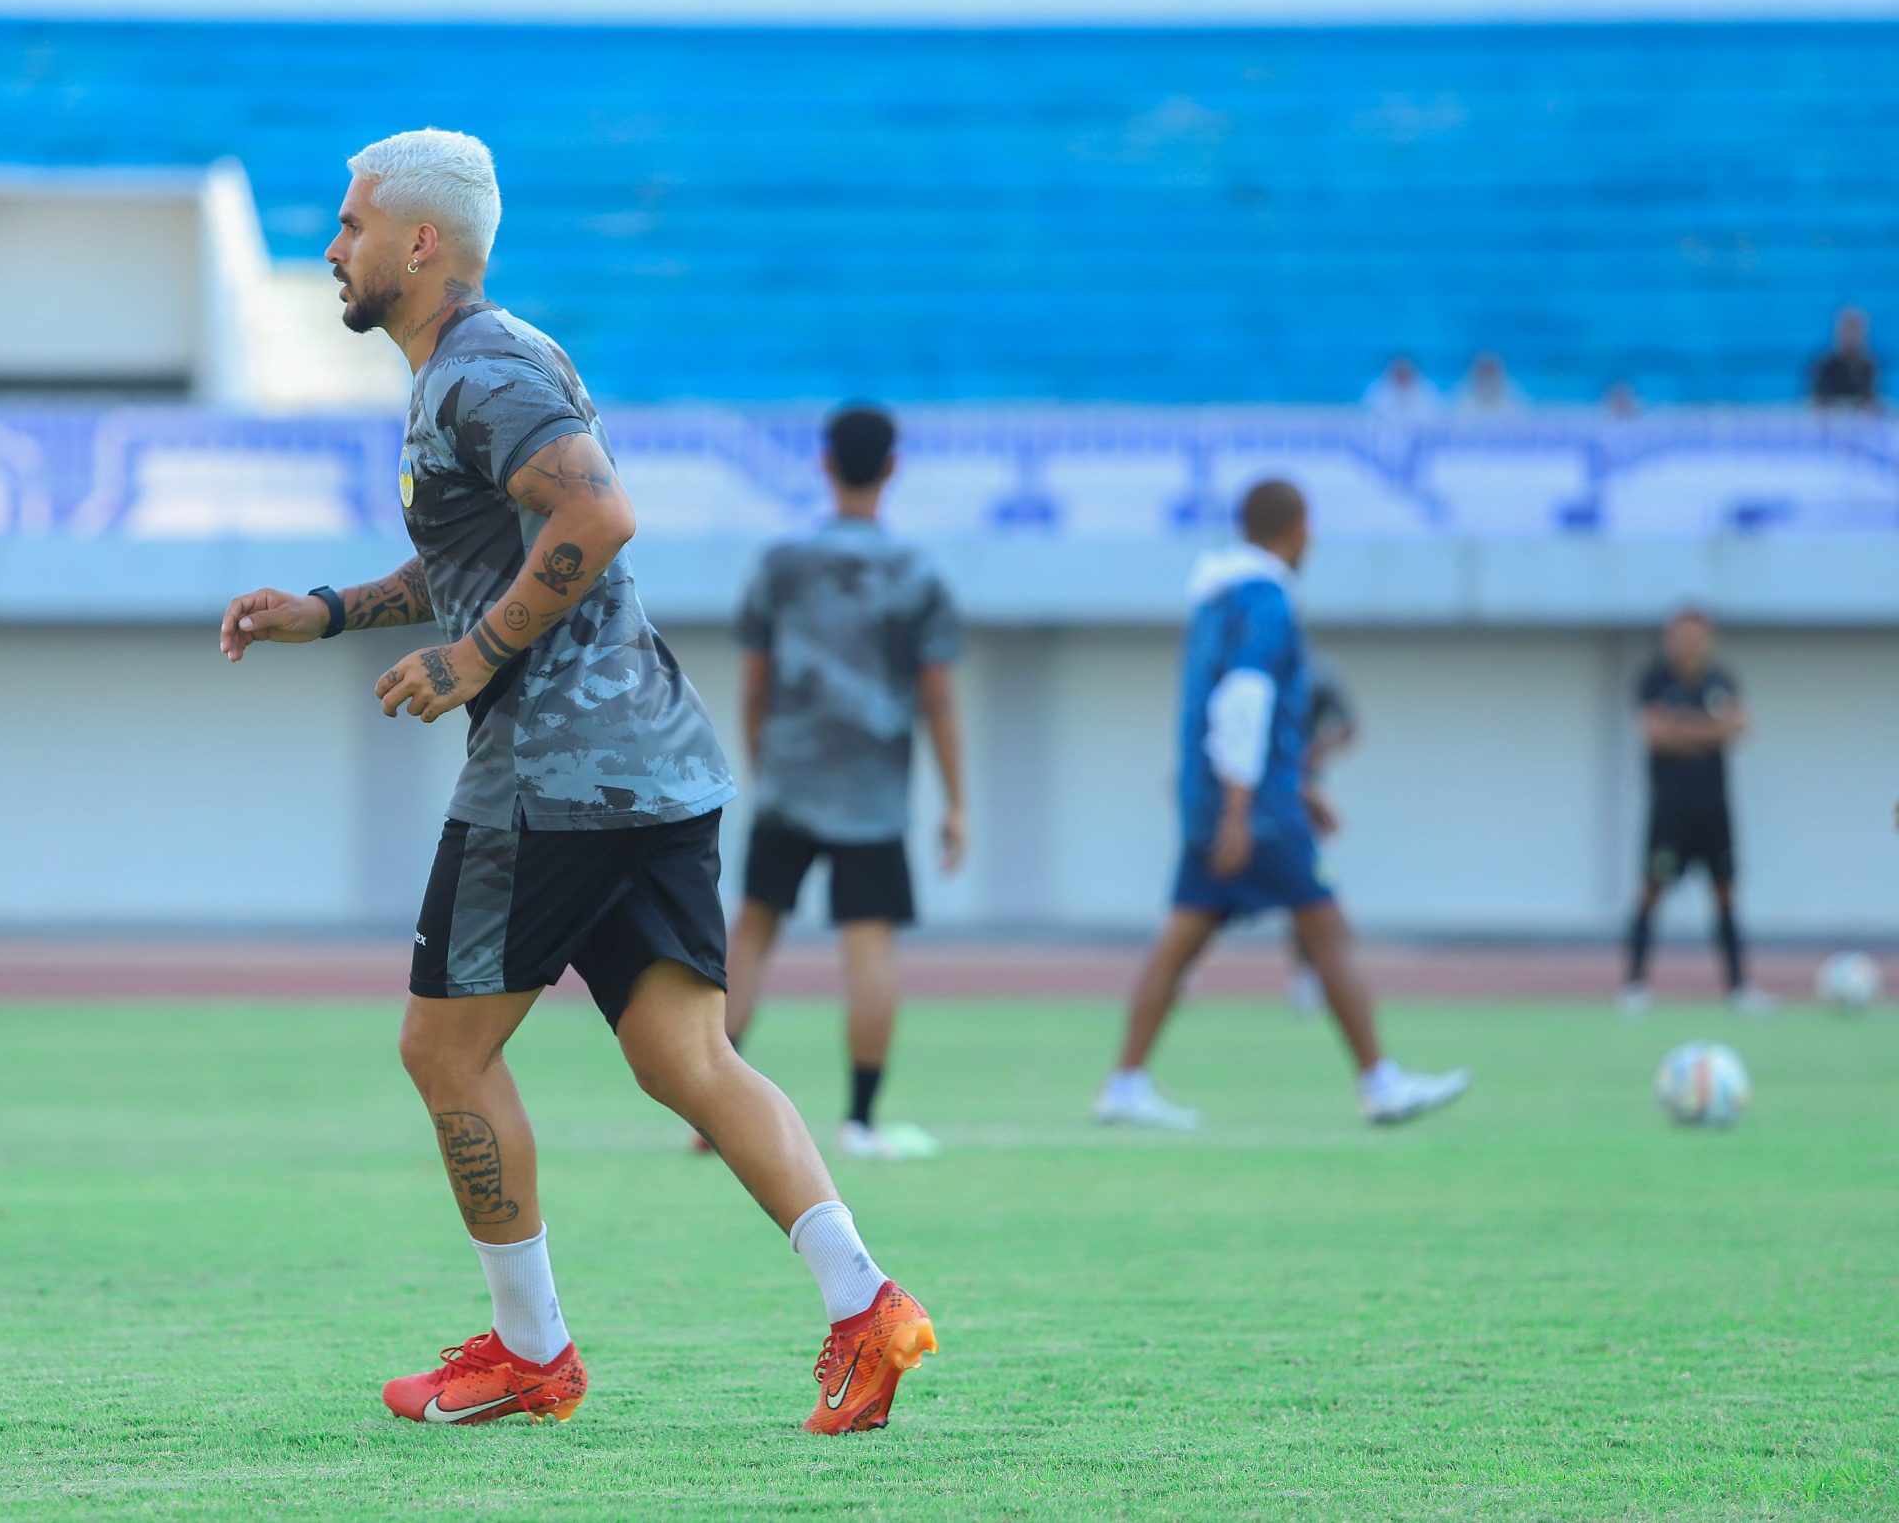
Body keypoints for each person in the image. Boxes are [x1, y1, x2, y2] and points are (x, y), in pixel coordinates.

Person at [218, 131, 933, 1434]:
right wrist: (325, 610)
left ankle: (530, 1350)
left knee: (442, 1046)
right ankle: (866, 1300)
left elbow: (596, 518)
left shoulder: (477, 368)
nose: (333, 246)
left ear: (417, 242)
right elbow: (484, 557)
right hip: (655, 761)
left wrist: (474, 656)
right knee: (683, 1054)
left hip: (552, 773)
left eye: (350, 222)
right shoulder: (490, 363)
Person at [1092, 479, 1468, 1130]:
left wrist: (1292, 788)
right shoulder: (1266, 599)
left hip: (1226, 797)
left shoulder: (1216, 599)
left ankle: (1125, 1081)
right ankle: (1380, 1080)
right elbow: (1244, 699)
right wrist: (1246, 807)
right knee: (1327, 928)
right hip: (1253, 810)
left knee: (1182, 938)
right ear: (1295, 527)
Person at [720, 403, 967, 1161]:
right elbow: (936, 695)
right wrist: (956, 801)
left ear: (824, 463)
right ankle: (859, 1120)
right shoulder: (918, 572)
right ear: (892, 467)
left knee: (753, 933)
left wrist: (764, 763)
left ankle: (709, 1117)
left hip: (792, 774)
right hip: (871, 787)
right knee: (869, 948)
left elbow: (754, 681)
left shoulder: (780, 564)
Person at [1622, 608, 1766, 1014]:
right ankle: (1634, 987)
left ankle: (1738, 988)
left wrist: (1683, 728)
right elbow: (1657, 734)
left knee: (1725, 895)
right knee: (1651, 892)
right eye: (1679, 635)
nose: (1687, 643)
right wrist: (1709, 729)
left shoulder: (1721, 680)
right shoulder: (1654, 679)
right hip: (1669, 812)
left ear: (1707, 638)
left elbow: (1739, 727)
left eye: (1695, 635)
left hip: (1714, 810)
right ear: (1668, 638)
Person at [1284, 660, 1360, 1018]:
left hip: (1299, 806)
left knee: (1313, 898)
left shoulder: (1318, 679)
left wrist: (1313, 758)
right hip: (1256, 805)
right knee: (1205, 904)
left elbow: (1349, 727)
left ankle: (1309, 977)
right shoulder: (1249, 671)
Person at [1806, 307, 1879, 410]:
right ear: (1838, 332)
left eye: (1856, 330)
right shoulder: (1824, 365)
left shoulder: (1870, 366)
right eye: (1848, 330)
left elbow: (1870, 400)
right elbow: (1818, 401)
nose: (1852, 336)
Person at [1361, 356, 1441, 420]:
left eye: (1405, 373)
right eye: (1399, 373)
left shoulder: (1427, 392)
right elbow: (1370, 416)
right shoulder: (1377, 392)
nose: (1402, 377)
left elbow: (1434, 416)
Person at [1453, 352, 1527, 416]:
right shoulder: (1460, 411)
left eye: (1489, 377)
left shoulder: (1516, 412)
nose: (1486, 386)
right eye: (1484, 378)